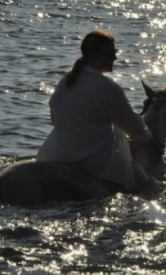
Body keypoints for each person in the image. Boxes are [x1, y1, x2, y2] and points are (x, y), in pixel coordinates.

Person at [37, 30, 152, 192]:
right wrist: (148, 135)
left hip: (51, 156)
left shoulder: (65, 81)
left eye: (115, 52)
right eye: (109, 53)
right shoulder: (108, 88)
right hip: (91, 163)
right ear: (92, 55)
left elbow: (56, 121)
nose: (115, 58)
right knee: (148, 188)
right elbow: (137, 131)